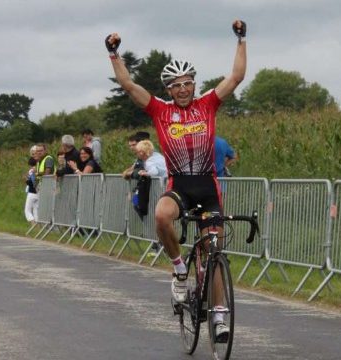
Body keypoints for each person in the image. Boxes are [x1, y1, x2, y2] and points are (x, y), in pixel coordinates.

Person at [105, 19, 247, 341]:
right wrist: (114, 53)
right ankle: (180, 269)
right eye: (176, 85)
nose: (183, 89)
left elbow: (236, 76)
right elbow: (128, 85)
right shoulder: (160, 111)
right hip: (180, 185)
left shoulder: (208, 104)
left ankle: (220, 317)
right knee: (161, 215)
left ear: (194, 85)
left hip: (208, 187)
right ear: (168, 88)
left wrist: (241, 39)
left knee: (214, 252)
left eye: (187, 83)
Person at [24, 156, 39, 225]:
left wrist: (26, 180)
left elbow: (32, 182)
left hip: (32, 192)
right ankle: (38, 225)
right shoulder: (38, 169)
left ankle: (33, 224)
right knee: (36, 210)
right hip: (39, 192)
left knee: (27, 210)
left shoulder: (31, 170)